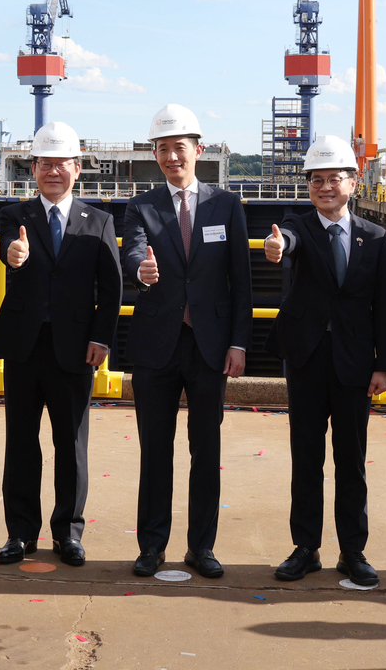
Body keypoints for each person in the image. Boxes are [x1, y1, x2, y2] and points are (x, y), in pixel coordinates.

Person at [120, 104, 251, 579]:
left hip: (209, 345)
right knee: (155, 449)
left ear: (198, 150)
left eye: (180, 147)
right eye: (162, 149)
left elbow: (241, 280)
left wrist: (238, 343)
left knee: (206, 449)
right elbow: (133, 247)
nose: (172, 156)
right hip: (157, 344)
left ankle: (202, 546)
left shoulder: (226, 205)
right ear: (154, 154)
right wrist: (140, 268)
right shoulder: (143, 204)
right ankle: (152, 545)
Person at [0, 121, 123, 568]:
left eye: (61, 164)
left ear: (77, 169)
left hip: (75, 349)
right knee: (21, 443)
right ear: (33, 167)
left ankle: (68, 533)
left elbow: (112, 286)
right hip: (24, 347)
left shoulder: (99, 221)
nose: (52, 172)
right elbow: (11, 249)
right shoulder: (15, 216)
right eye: (44, 164)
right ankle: (20, 533)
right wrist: (14, 256)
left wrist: (102, 338)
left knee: (71, 444)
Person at [263, 135, 386, 587]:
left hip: (355, 362)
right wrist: (278, 247)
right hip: (306, 358)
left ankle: (353, 550)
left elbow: (385, 305)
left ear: (352, 183)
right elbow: (289, 242)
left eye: (333, 179)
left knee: (351, 459)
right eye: (316, 180)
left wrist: (384, 365)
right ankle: (306, 548)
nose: (324, 187)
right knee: (306, 455)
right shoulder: (295, 224)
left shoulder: (375, 238)